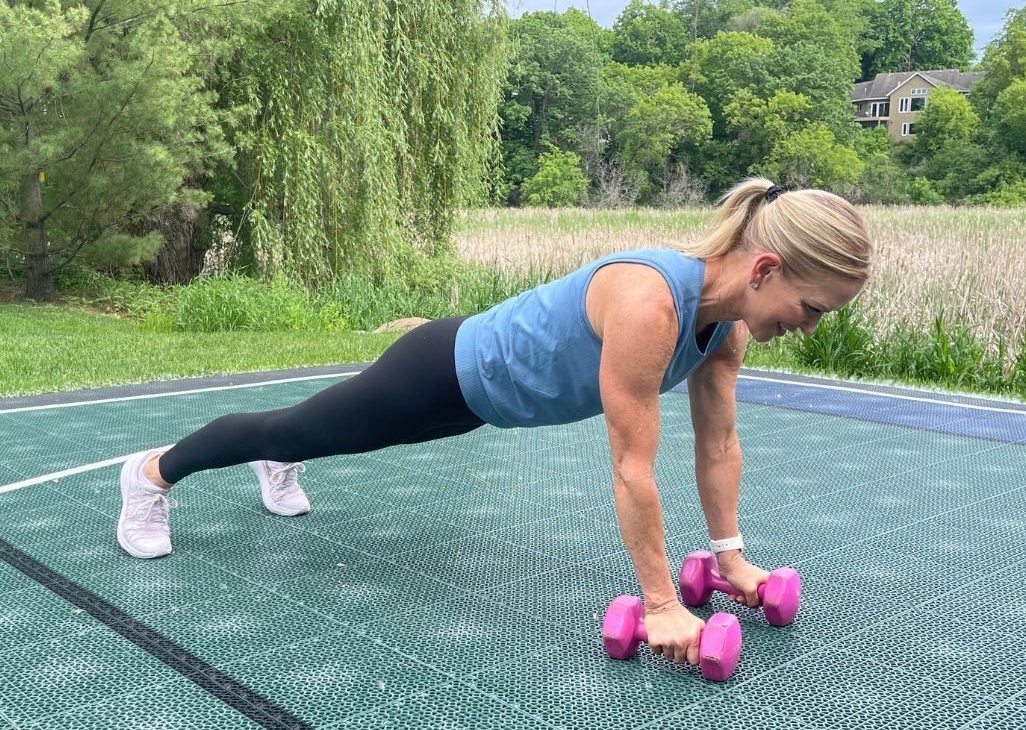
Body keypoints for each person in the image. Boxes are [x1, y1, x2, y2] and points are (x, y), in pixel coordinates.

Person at [115, 178, 872, 669]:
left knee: (316, 433)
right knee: (289, 427)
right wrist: (661, 604)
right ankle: (152, 473)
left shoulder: (725, 330)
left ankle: (283, 460)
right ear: (767, 269)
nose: (808, 327)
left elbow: (719, 447)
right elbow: (633, 466)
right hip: (442, 370)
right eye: (813, 309)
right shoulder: (652, 304)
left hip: (482, 407)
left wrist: (732, 559)